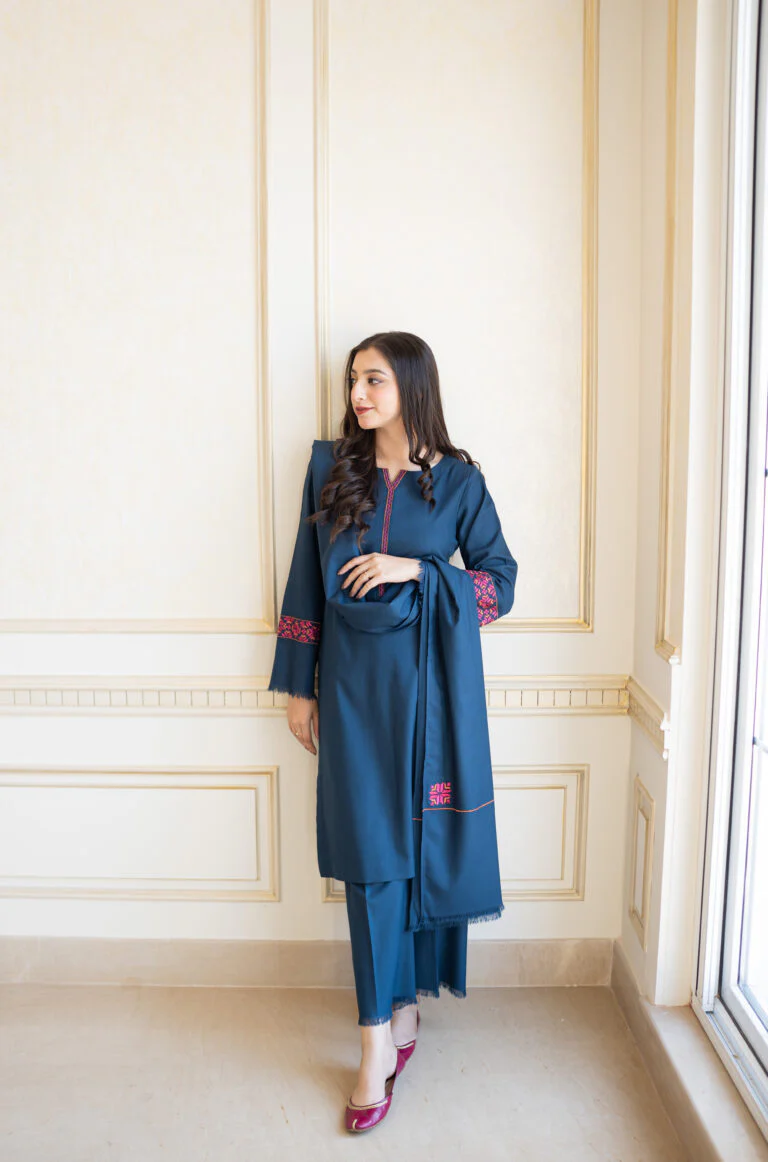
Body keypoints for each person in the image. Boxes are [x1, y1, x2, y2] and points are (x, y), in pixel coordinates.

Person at [268, 331, 518, 1132]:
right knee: (371, 857)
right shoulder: (329, 468)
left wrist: (420, 570)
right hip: (350, 695)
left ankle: (404, 1008)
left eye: (374, 379)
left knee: (420, 851)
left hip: (433, 700)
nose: (358, 394)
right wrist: (297, 686)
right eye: (354, 380)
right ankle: (374, 1040)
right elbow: (305, 581)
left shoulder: (460, 482)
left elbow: (500, 587)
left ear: (412, 385)